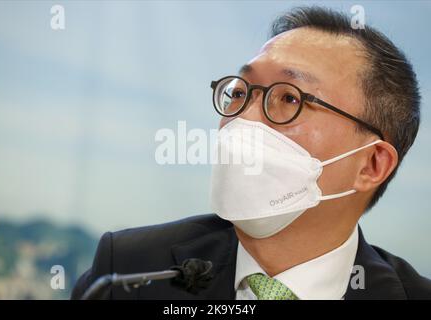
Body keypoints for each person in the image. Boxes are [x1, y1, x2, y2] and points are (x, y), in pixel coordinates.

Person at [72, 6, 431, 300]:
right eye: (239, 93)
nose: (242, 119)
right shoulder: (129, 270)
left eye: (289, 98)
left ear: (371, 164)